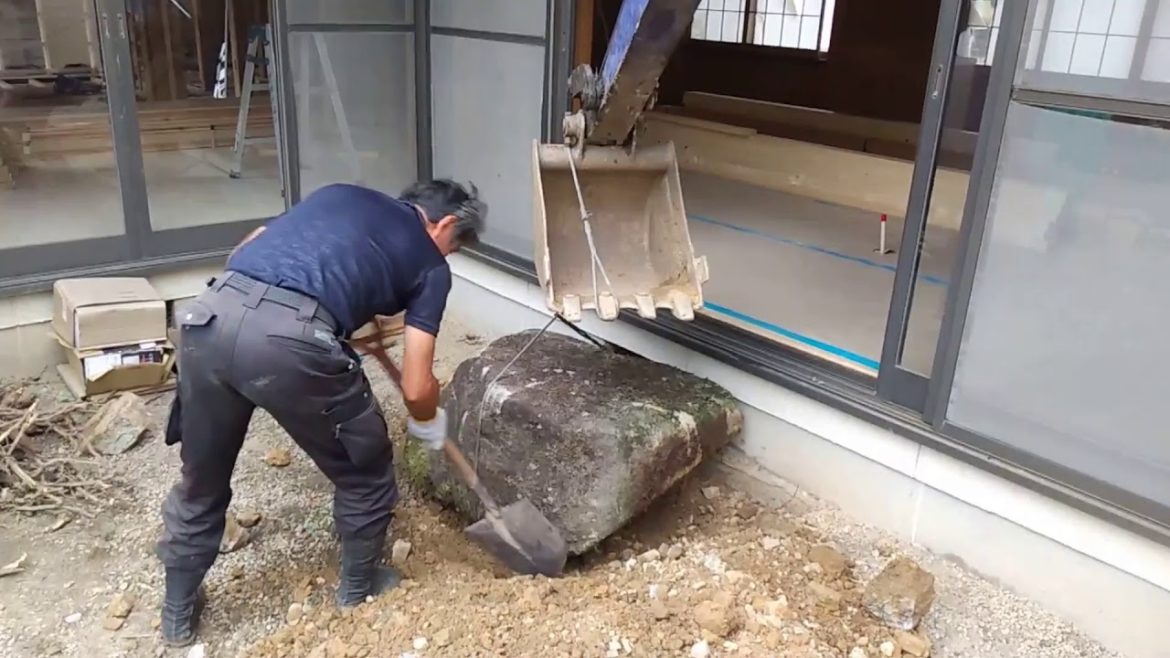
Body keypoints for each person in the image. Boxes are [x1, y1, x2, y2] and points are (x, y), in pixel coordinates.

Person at [155, 180, 486, 647]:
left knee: (201, 479)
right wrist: (428, 417)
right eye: (453, 247)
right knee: (366, 471)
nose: (447, 257)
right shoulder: (431, 268)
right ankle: (358, 588)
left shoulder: (340, 195)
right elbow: (415, 387)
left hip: (208, 318)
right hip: (289, 343)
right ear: (446, 223)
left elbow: (255, 241)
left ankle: (176, 617)